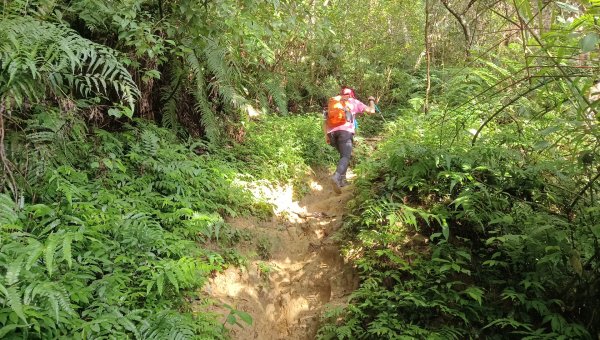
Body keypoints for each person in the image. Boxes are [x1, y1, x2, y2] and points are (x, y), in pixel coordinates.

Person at [324, 86, 376, 194]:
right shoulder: (353, 102)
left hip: (331, 133)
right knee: (345, 156)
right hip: (345, 132)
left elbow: (325, 120)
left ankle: (342, 180)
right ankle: (336, 177)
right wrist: (371, 100)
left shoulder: (333, 102)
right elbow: (372, 111)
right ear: (351, 94)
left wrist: (326, 136)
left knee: (344, 155)